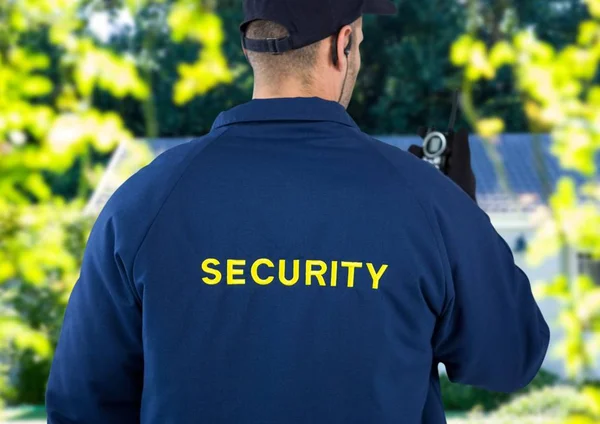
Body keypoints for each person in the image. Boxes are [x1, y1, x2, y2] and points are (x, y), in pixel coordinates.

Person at [45, 0, 550, 423]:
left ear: (248, 48)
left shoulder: (142, 202)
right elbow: (510, 359)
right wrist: (464, 213)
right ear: (343, 44)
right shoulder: (430, 204)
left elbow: (81, 403)